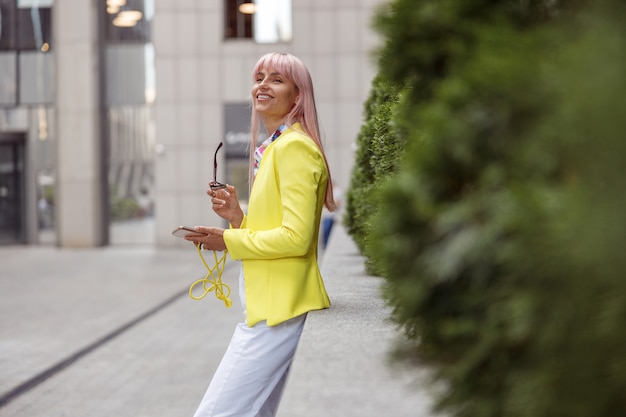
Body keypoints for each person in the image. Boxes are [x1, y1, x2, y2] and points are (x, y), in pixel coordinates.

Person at [184, 52, 337, 417]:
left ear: (298, 96)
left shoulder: (295, 148)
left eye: (276, 79)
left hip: (279, 314)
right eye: (259, 77)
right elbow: (278, 230)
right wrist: (238, 218)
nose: (262, 85)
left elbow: (296, 239)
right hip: (271, 310)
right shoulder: (277, 147)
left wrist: (227, 240)